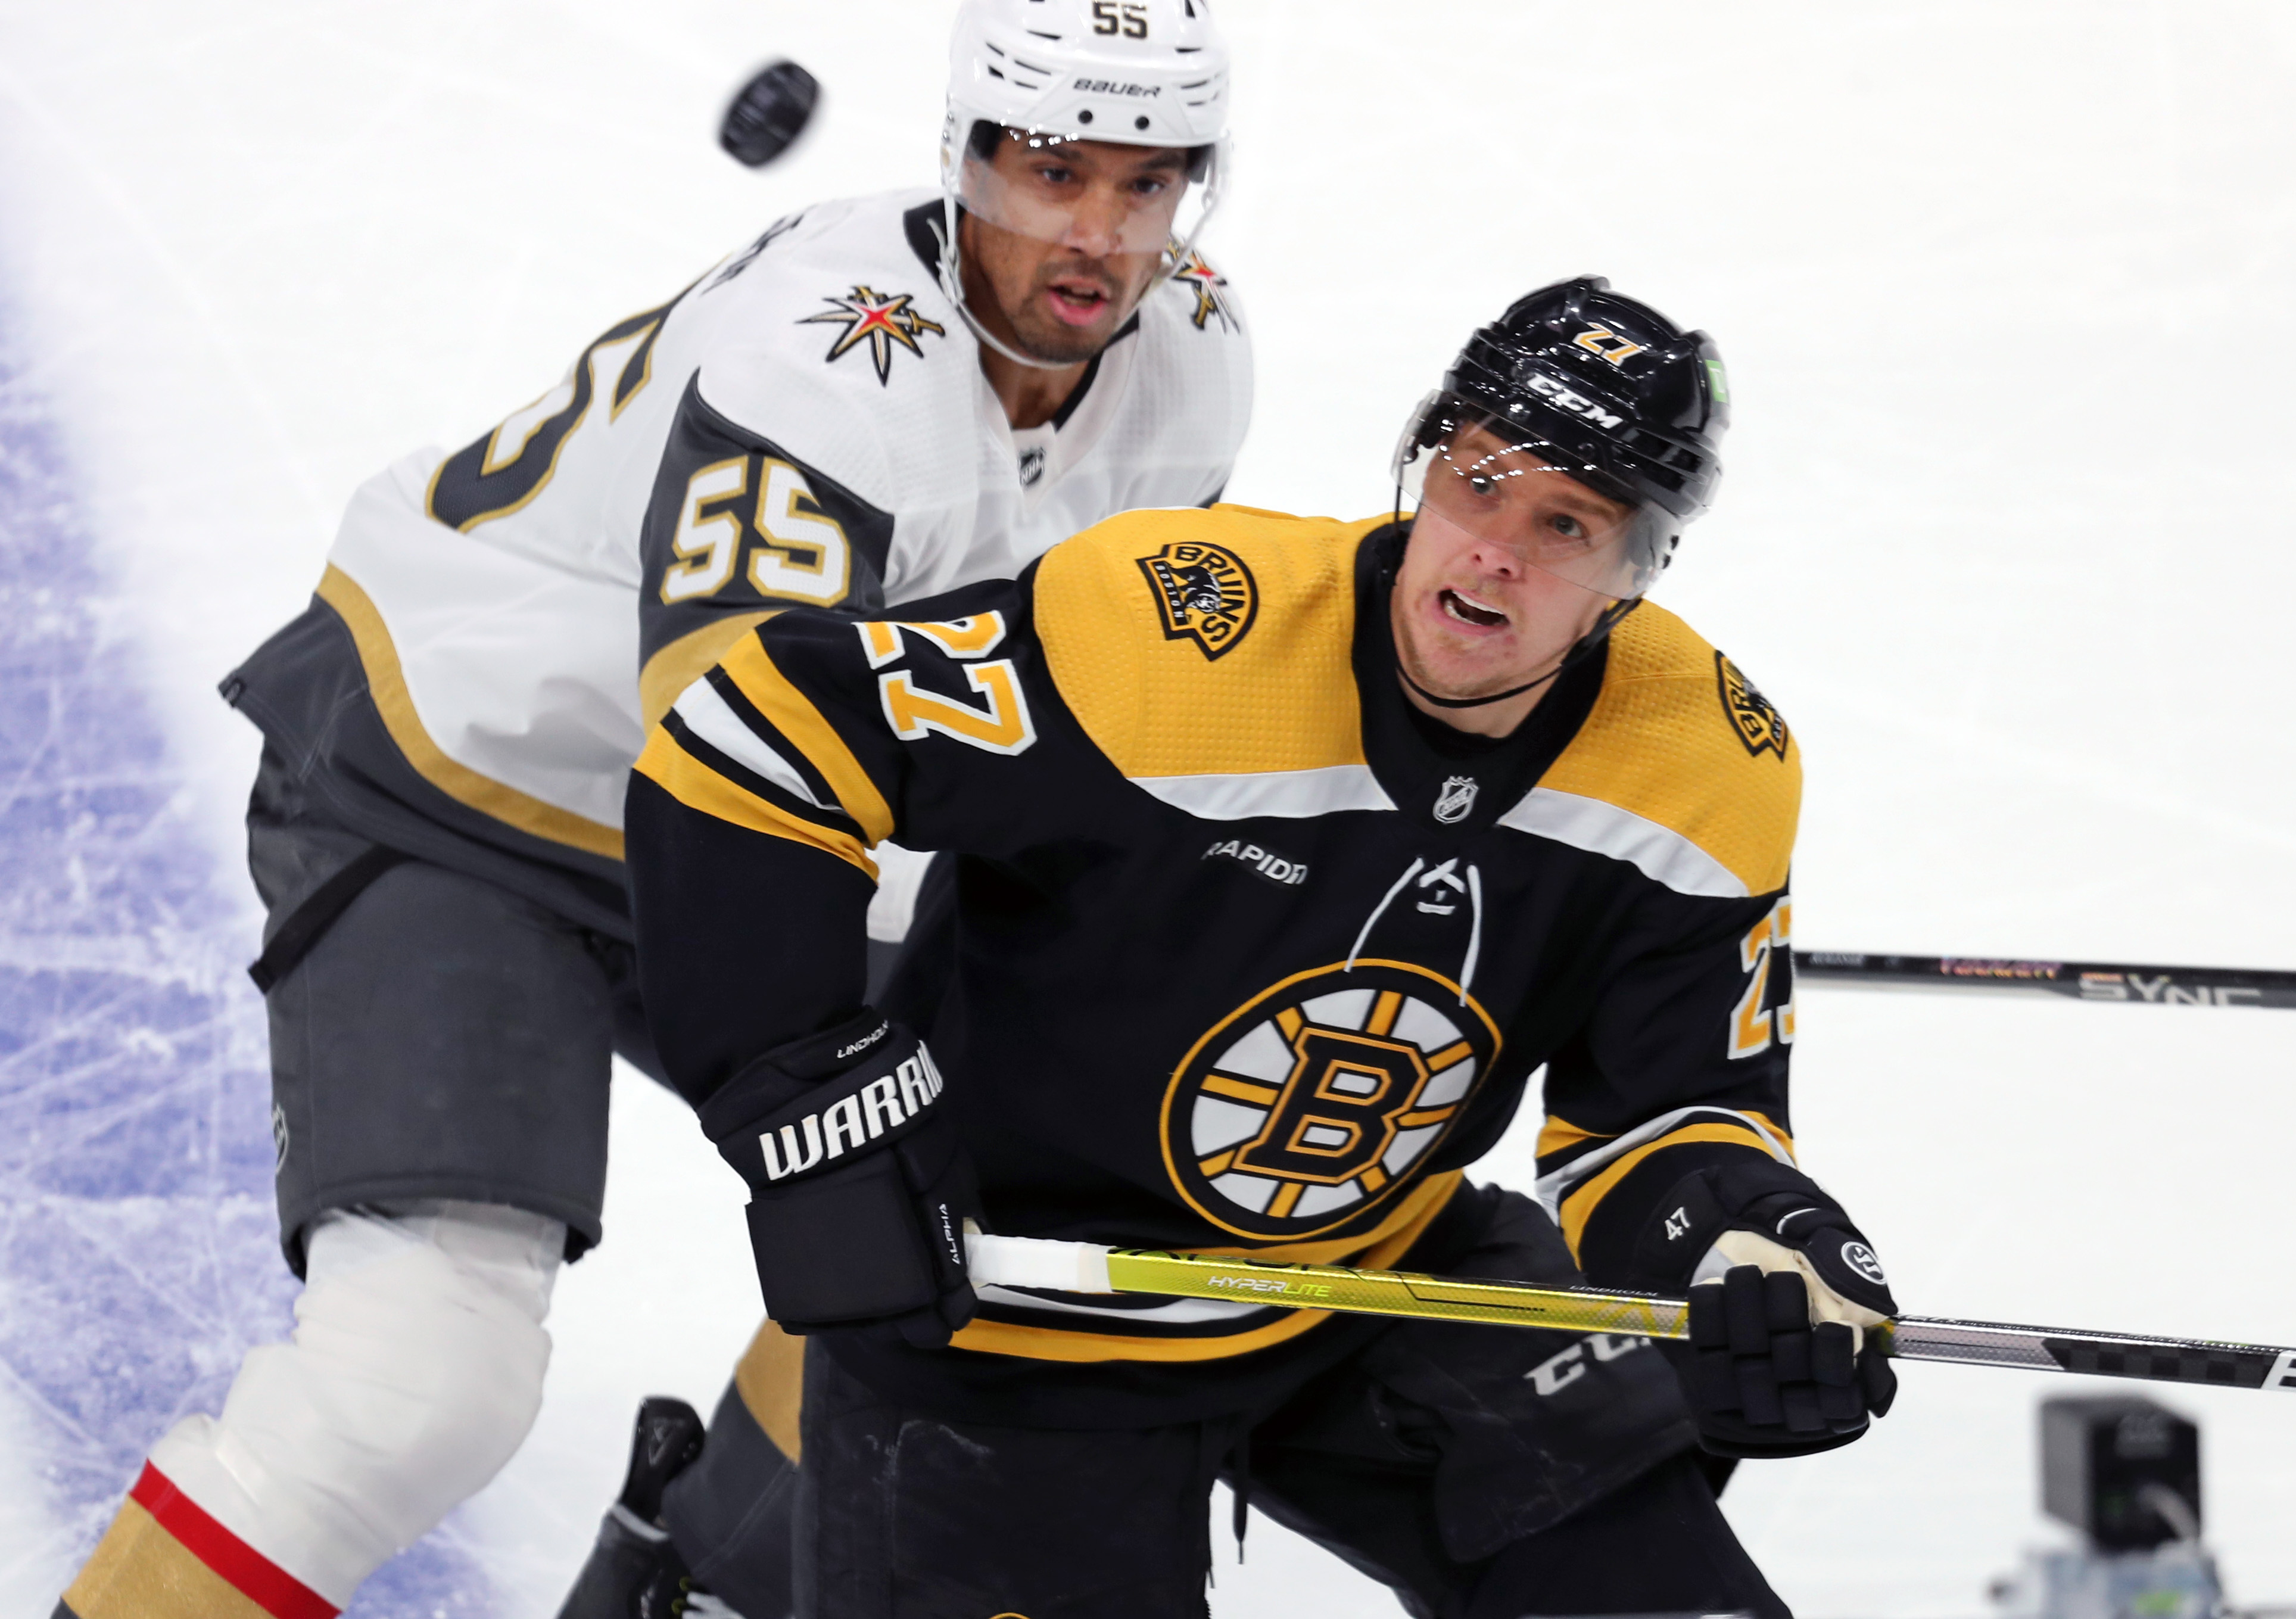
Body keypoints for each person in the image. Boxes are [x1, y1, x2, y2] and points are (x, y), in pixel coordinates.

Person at [52, 4, 1248, 1618]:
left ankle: (697, 1578)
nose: (1099, 235)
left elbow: (1084, 705)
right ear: (965, 155)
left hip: (747, 804)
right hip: (461, 777)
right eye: (1052, 171)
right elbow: (728, 767)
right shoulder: (824, 365)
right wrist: (815, 1081)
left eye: (1148, 181)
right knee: (421, 1381)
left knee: (1035, 1189)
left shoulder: (1193, 354)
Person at [621, 276, 1902, 1619]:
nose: (1494, 553)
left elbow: (1668, 1116)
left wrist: (1747, 1244)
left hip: (1388, 1276)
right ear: (1422, 464)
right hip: (1013, 1314)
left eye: (1565, 524)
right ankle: (691, 1569)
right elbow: (757, 735)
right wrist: (820, 1110)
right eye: (1478, 482)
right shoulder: (1174, 632)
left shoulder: (1702, 764)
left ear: (1635, 572)